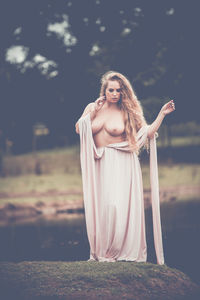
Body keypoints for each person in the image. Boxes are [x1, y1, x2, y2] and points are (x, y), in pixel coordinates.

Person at [75, 71, 175, 265]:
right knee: (102, 207)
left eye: (118, 90)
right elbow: (79, 129)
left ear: (123, 92)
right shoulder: (92, 107)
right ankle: (101, 252)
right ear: (104, 90)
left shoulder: (127, 112)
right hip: (99, 163)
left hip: (122, 163)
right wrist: (93, 111)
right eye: (111, 90)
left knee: (116, 206)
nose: (114, 93)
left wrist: (162, 114)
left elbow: (147, 132)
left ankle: (118, 251)